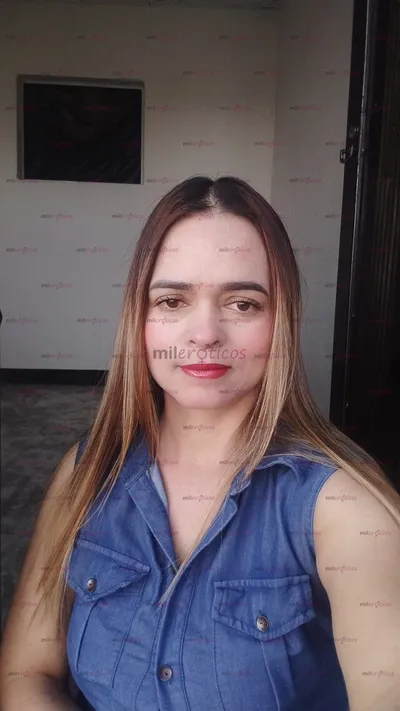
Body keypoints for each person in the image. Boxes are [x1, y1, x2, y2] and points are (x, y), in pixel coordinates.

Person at [2, 176, 400, 711]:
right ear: (139, 318)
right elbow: (25, 673)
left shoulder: (346, 510)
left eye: (243, 304)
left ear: (280, 322)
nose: (206, 333)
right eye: (172, 300)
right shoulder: (86, 472)